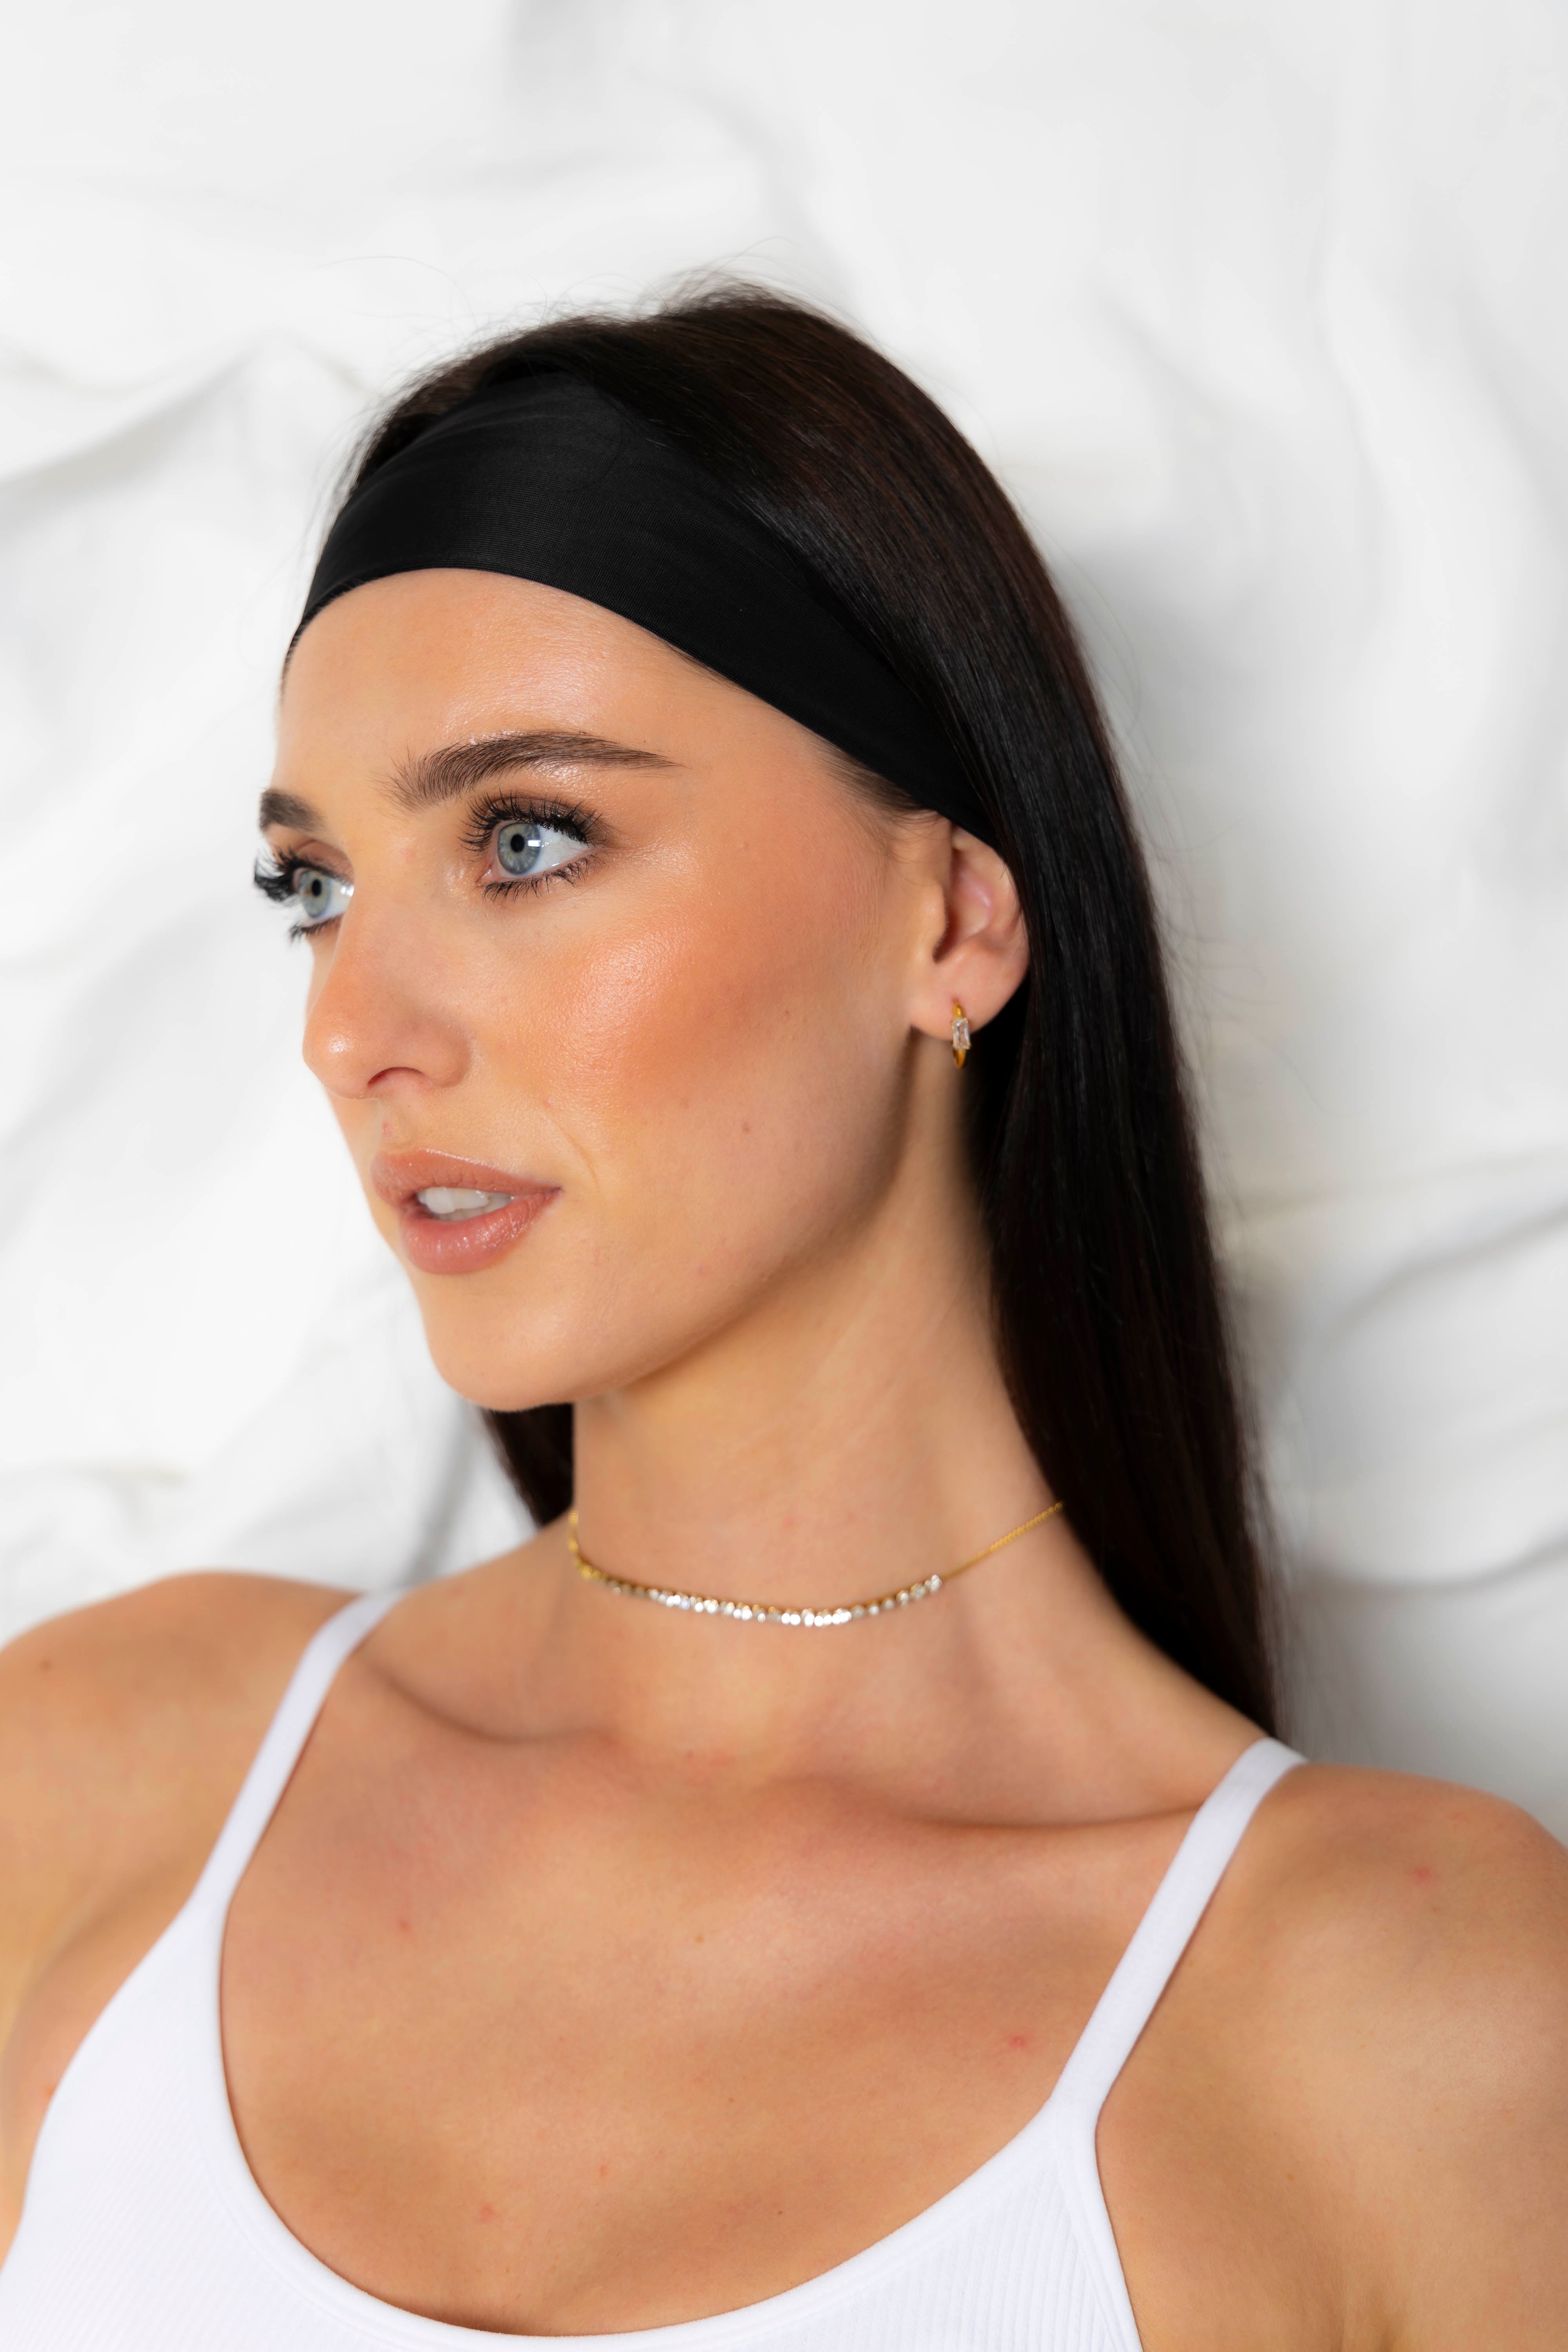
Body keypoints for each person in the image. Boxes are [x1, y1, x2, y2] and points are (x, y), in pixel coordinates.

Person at [0, 284, 1563, 2351]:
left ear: (950, 924)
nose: (353, 1030)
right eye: (317, 889)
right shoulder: (104, 1779)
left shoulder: (1410, 2018)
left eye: (527, 840)